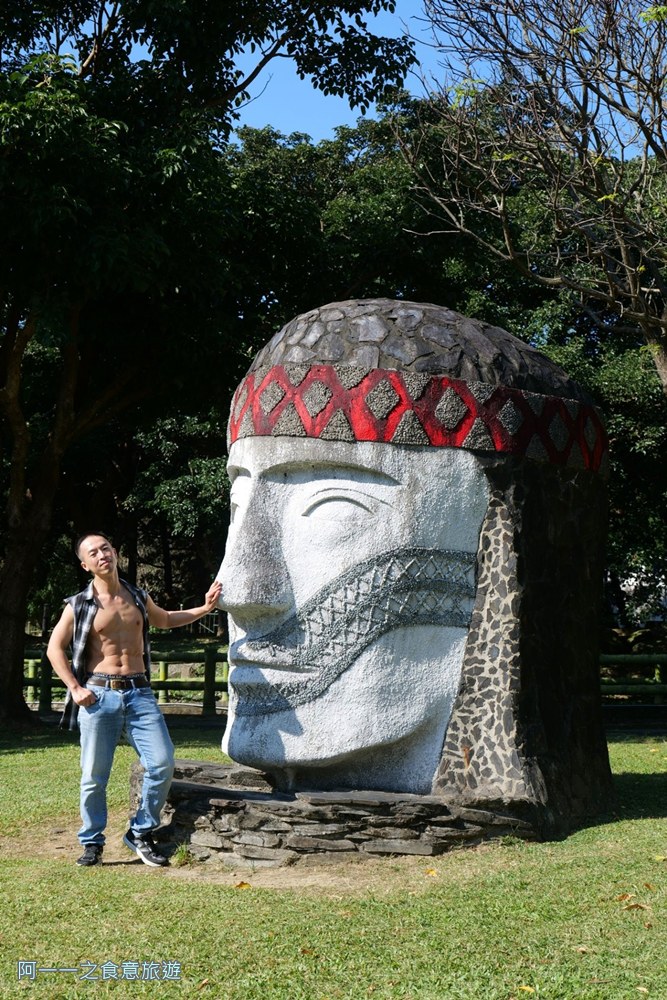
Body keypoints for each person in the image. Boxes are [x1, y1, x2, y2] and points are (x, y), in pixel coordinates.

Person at [47, 532, 222, 868]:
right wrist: (74, 687)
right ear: (86, 565)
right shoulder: (78, 604)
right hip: (98, 696)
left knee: (162, 762)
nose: (102, 555)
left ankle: (140, 832)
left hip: (140, 693)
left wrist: (205, 608)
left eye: (106, 548)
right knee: (94, 776)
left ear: (114, 552)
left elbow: (166, 619)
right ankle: (92, 842)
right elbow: (55, 648)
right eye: (93, 553)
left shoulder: (138, 595)